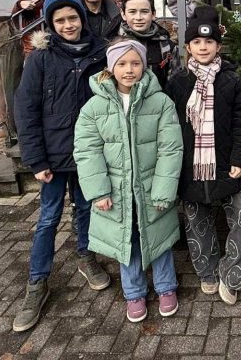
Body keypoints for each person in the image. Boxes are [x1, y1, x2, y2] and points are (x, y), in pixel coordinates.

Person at [12, 0, 110, 333]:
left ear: (82, 17)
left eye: (73, 17)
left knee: (86, 209)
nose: (68, 25)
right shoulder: (40, 58)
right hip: (52, 154)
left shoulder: (101, 53)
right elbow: (25, 110)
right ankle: (37, 283)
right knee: (48, 217)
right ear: (51, 25)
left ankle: (86, 256)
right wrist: (35, 158)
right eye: (60, 20)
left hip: (88, 152)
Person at [74, 39, 183, 322]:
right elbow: (87, 151)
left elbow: (170, 148)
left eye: (135, 63)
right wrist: (98, 191)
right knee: (127, 241)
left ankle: (166, 286)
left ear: (144, 66)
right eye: (122, 64)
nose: (129, 69)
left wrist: (162, 190)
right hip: (117, 191)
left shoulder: (160, 102)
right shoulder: (94, 108)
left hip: (150, 188)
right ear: (111, 68)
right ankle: (134, 292)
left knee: (158, 238)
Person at [166, 6, 241, 305]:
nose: (203, 47)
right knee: (197, 221)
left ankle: (231, 273)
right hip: (191, 167)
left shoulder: (232, 81)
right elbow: (169, 126)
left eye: (209, 42)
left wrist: (240, 160)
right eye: (196, 42)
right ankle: (206, 271)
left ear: (218, 46)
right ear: (188, 47)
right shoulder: (178, 82)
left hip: (226, 165)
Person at [118, 0, 179, 90]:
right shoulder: (115, 45)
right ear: (123, 14)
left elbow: (173, 84)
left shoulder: (167, 47)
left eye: (144, 12)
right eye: (132, 12)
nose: (138, 17)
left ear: (153, 14)